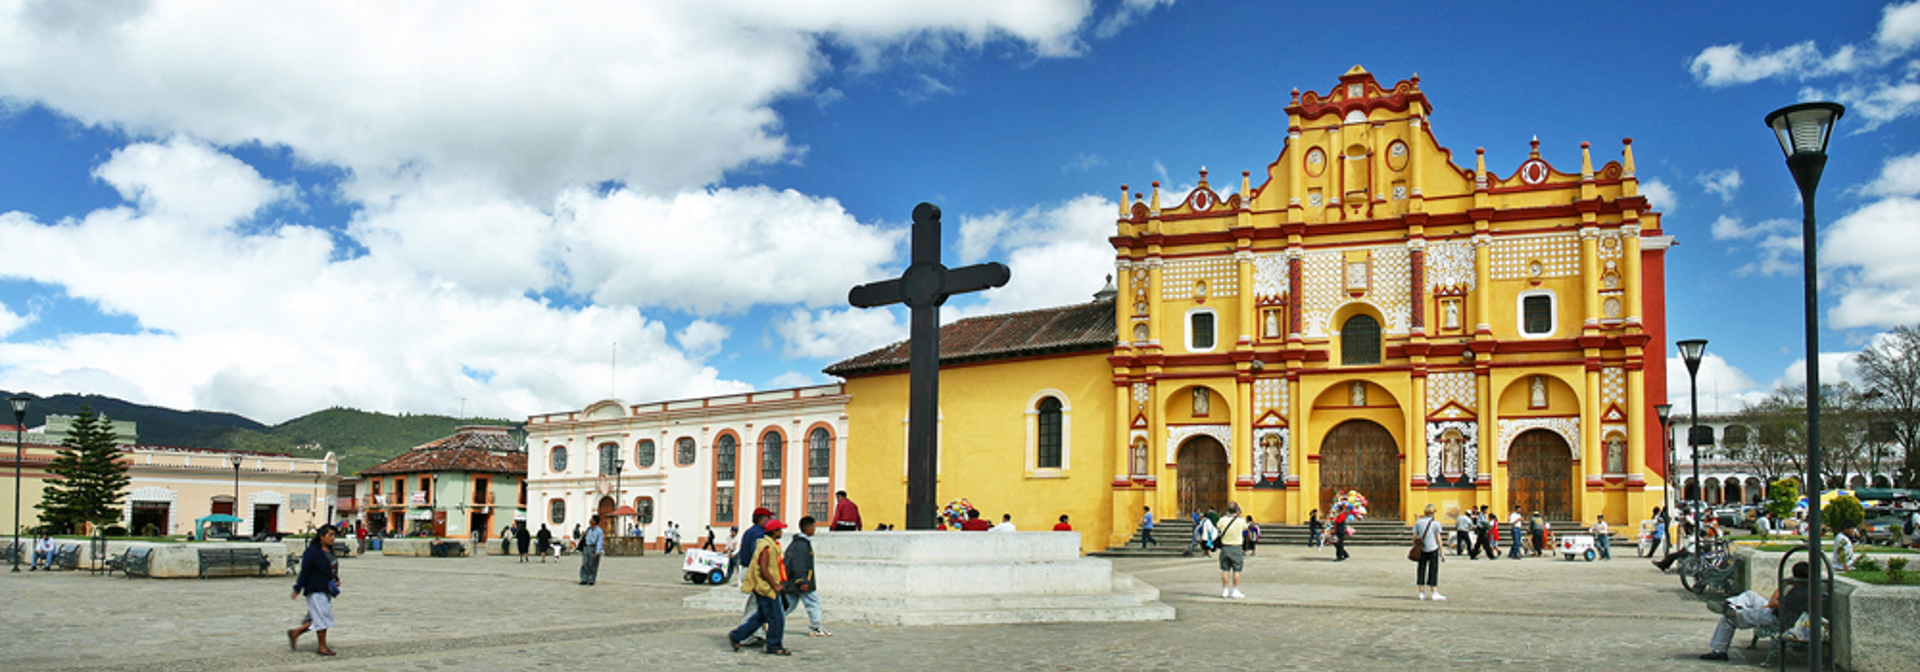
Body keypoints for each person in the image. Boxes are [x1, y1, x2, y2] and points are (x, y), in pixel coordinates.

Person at [1699, 562, 1810, 660]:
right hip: (1781, 613)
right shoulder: (1810, 588)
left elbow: (1773, 603)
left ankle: (1720, 650)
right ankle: (1730, 606)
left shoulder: (1797, 593)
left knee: (1728, 619)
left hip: (1775, 617)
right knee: (1750, 595)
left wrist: (1783, 585)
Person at [727, 519, 791, 656]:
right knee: (776, 618)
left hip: (768, 586)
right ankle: (774, 645)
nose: (781, 532)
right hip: (766, 587)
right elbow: (763, 568)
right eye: (779, 529)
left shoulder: (771, 544)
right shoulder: (766, 546)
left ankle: (738, 635)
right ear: (774, 531)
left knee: (761, 616)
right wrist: (774, 584)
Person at [287, 524, 340, 656]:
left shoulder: (329, 551)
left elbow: (331, 567)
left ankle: (295, 632)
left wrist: (335, 579)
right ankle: (322, 646)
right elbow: (305, 571)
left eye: (334, 535)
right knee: (322, 617)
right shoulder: (313, 552)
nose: (332, 538)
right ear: (321, 536)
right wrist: (297, 588)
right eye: (330, 535)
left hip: (326, 588)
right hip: (315, 587)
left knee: (317, 617)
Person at [783, 516, 829, 637]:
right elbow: (800, 563)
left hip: (792, 580)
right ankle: (815, 626)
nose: (814, 529)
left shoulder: (798, 543)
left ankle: (771, 620)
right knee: (814, 603)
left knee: (789, 604)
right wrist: (803, 580)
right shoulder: (802, 545)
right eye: (813, 527)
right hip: (802, 581)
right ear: (807, 528)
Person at [1213, 503, 1247, 598]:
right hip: (1236, 547)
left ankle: (1225, 590)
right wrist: (1239, 515)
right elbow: (1245, 528)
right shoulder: (1241, 521)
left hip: (1225, 547)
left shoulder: (1222, 520)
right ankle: (1235, 590)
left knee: (1225, 569)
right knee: (1237, 570)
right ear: (1237, 510)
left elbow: (1218, 527)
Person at [1414, 504, 1445, 601]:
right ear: (1433, 512)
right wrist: (1442, 553)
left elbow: (1414, 537)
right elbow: (1439, 539)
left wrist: (1417, 545)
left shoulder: (1418, 523)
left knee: (1421, 569)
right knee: (1433, 570)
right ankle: (1434, 592)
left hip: (1422, 549)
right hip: (1433, 548)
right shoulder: (1436, 523)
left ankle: (1421, 592)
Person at [733, 508, 772, 582]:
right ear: (761, 519)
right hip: (753, 571)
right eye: (768, 518)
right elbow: (756, 553)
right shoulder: (759, 533)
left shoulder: (750, 531)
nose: (770, 520)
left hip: (747, 568)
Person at [578, 516, 605, 585]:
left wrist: (598, 551)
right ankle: (584, 578)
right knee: (585, 563)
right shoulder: (588, 529)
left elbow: (599, 541)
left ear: (595, 522)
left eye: (591, 519)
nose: (590, 520)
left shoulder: (599, 531)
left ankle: (591, 579)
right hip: (586, 547)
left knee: (592, 565)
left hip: (593, 547)